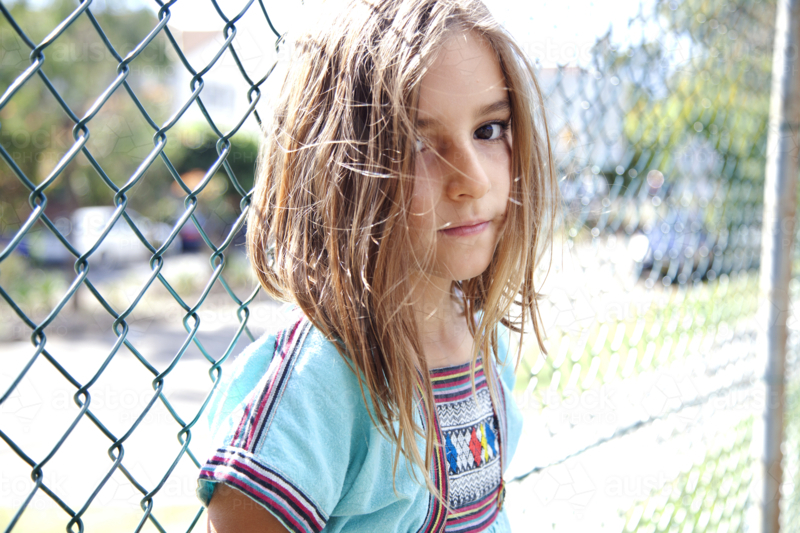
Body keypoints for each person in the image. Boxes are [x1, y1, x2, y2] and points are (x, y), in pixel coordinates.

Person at [197, 0, 557, 530]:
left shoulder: (484, 336)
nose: (474, 180)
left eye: (488, 130)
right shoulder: (318, 384)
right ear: (334, 168)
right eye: (415, 142)